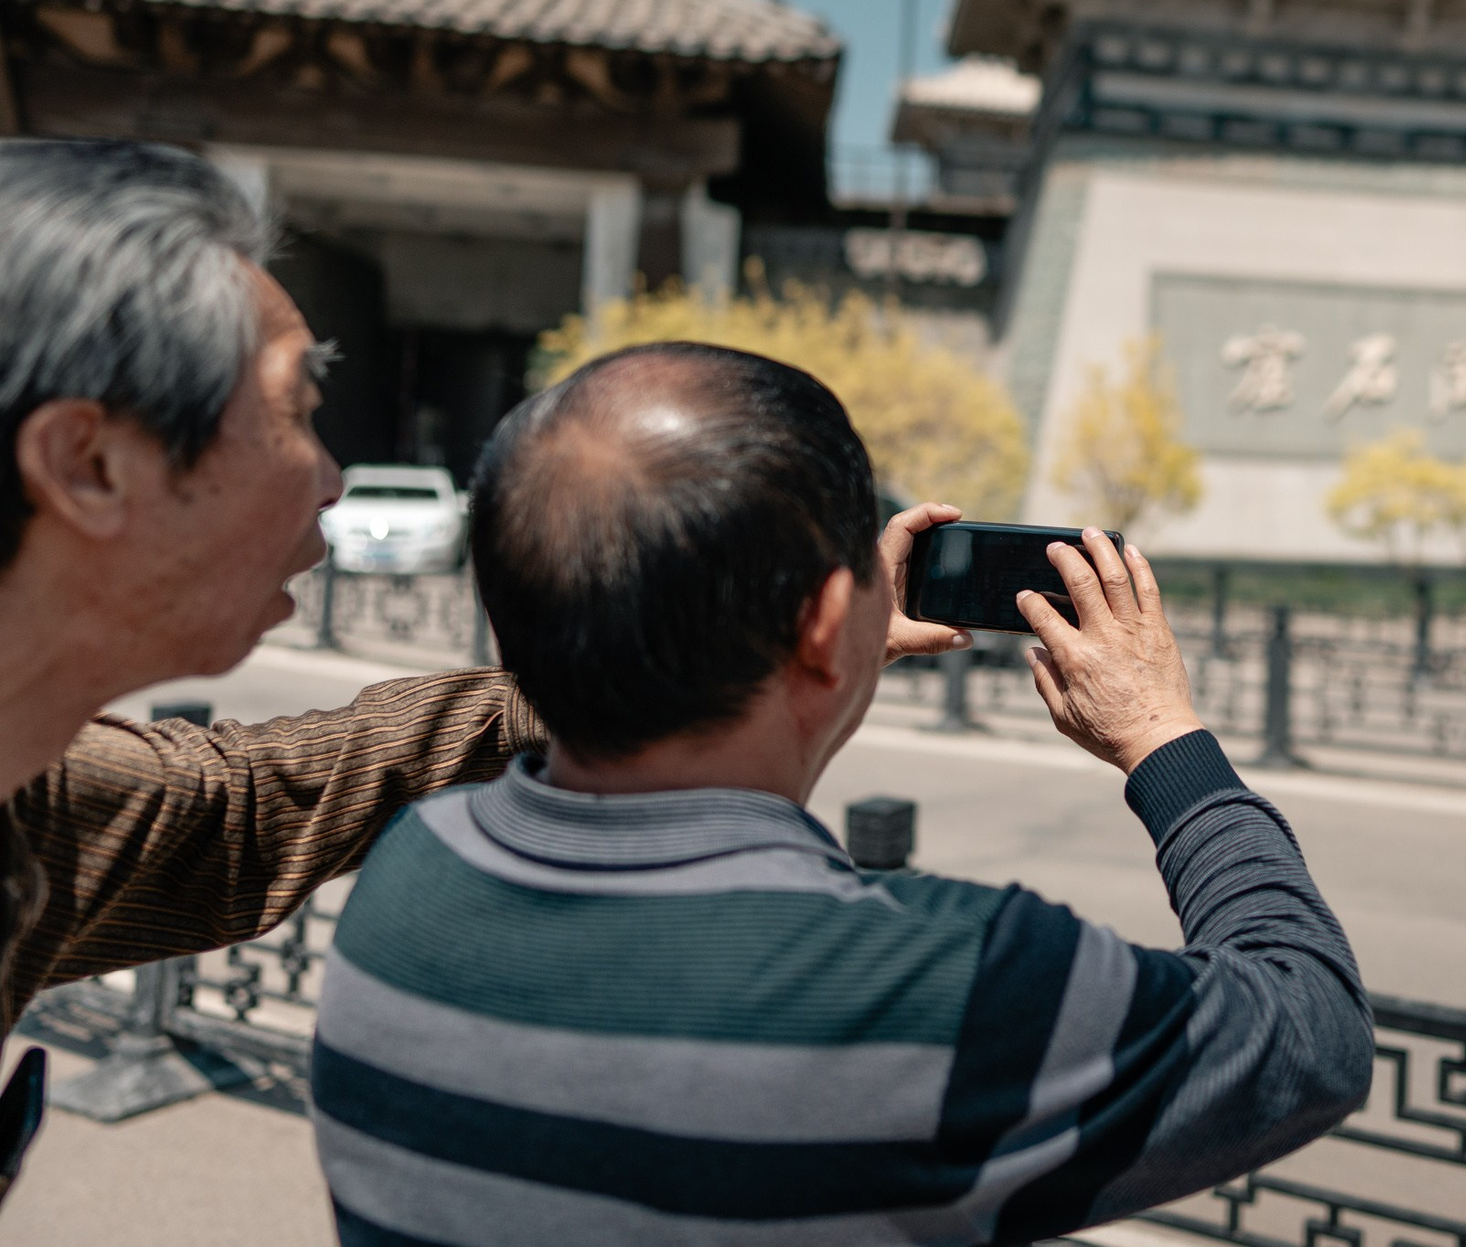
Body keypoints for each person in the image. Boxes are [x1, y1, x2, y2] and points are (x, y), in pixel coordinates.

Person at [311, 342, 1371, 1246]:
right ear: (826, 624)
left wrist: (818, 654)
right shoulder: (948, 985)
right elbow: (1309, 1032)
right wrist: (1165, 743)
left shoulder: (406, 875)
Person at [0, 140, 584, 1180]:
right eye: (296, 412)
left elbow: (243, 807)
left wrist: (638, 662)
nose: (331, 479)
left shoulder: (31, 794)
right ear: (88, 463)